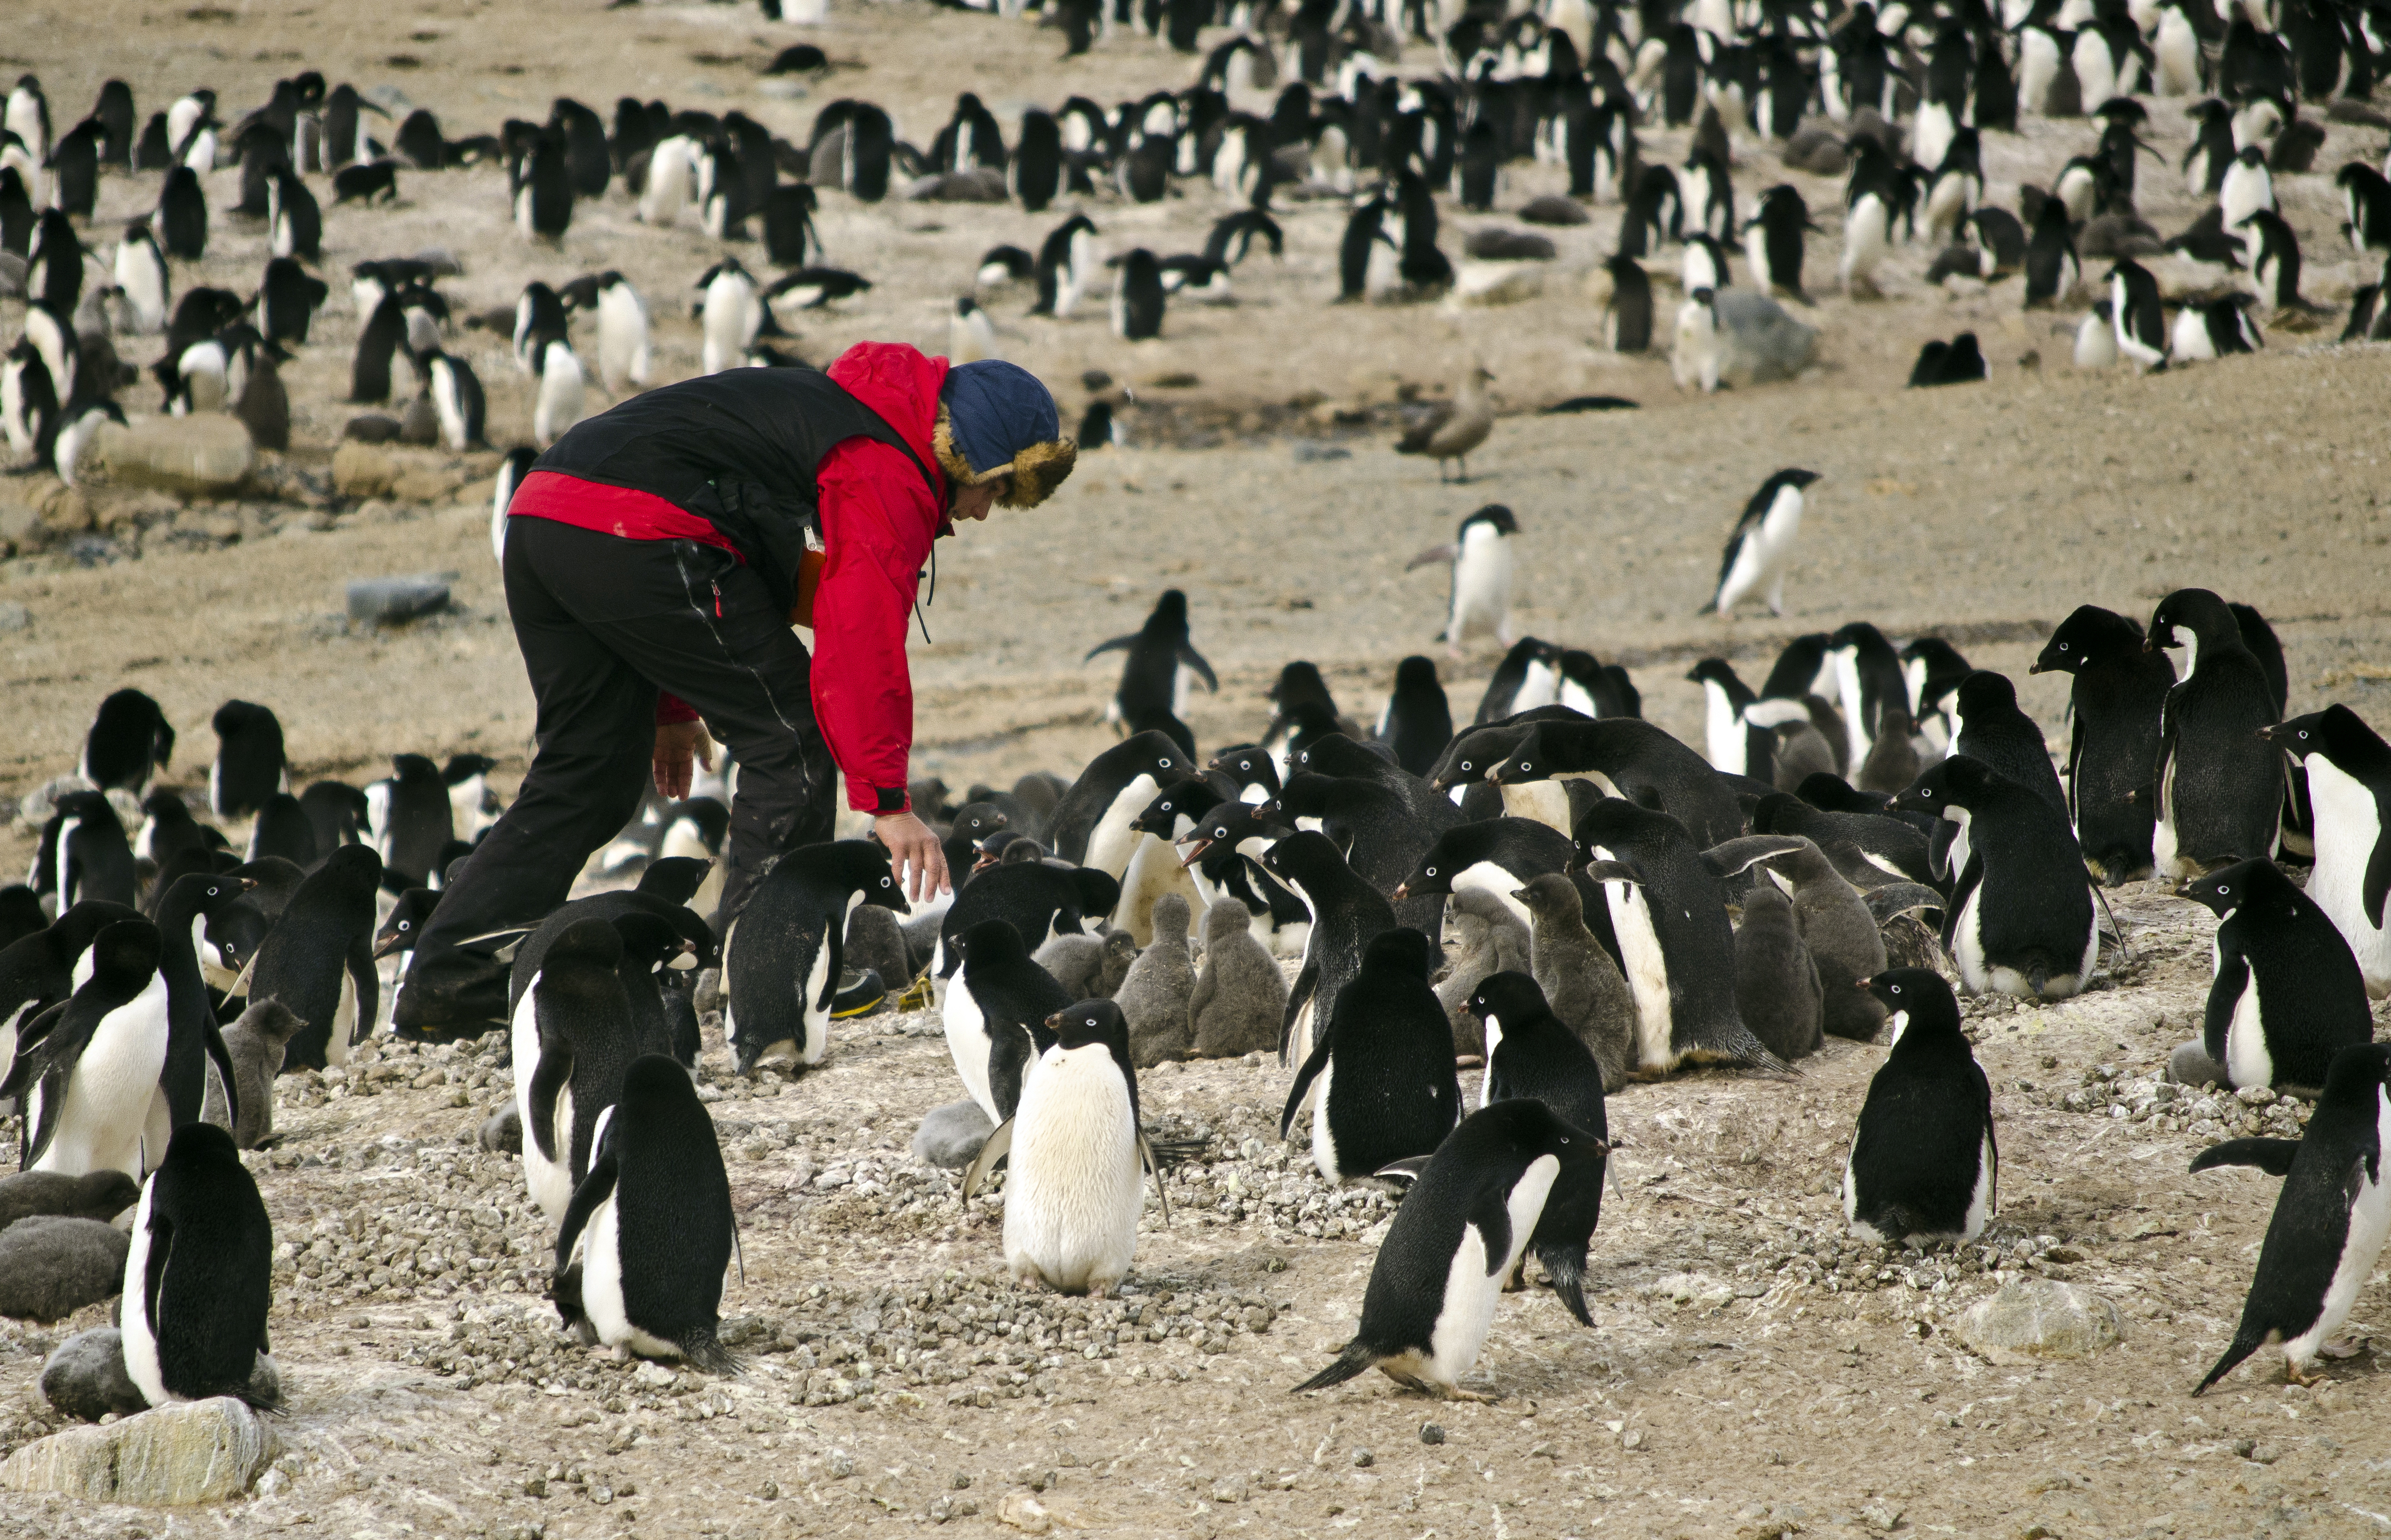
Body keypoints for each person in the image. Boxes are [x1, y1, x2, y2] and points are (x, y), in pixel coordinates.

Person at [394, 342, 1077, 1036]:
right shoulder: (885, 463)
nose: (986, 513)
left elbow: (707, 510)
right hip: (637, 532)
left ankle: (449, 983)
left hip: (544, 516)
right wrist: (889, 803)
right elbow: (857, 636)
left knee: (589, 770)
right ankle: (766, 984)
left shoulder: (829, 412)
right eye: (995, 489)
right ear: (968, 454)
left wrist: (671, 704)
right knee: (792, 738)